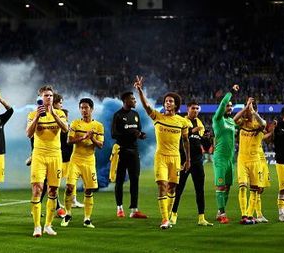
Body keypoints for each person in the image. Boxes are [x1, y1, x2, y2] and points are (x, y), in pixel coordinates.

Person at [134, 75, 191, 230]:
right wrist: (139, 90)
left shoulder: (182, 121)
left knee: (172, 188)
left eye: (171, 101)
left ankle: (171, 213)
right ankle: (165, 219)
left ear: (176, 104)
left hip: (175, 158)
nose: (168, 103)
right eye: (166, 101)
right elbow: (146, 106)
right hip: (161, 157)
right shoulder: (157, 117)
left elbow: (185, 141)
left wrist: (188, 160)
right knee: (162, 185)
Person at [26, 85, 68, 237]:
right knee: (37, 189)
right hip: (39, 155)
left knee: (53, 191)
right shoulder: (32, 114)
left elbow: (65, 129)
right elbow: (28, 133)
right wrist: (37, 117)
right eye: (45, 95)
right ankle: (37, 226)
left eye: (50, 95)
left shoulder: (60, 113)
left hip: (55, 156)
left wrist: (54, 115)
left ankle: (48, 225)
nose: (48, 98)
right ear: (40, 98)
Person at [61, 98, 104, 228]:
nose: (84, 110)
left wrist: (92, 138)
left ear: (91, 109)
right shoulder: (75, 123)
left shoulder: (98, 126)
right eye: (81, 108)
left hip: (89, 161)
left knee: (89, 190)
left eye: (86, 108)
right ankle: (67, 214)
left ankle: (87, 219)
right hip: (76, 159)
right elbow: (69, 140)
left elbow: (100, 145)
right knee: (69, 187)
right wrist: (83, 137)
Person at [170, 101, 213, 226]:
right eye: (193, 108)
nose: (195, 110)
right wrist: (193, 131)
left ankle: (201, 218)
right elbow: (178, 138)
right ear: (188, 109)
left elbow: (204, 145)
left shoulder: (200, 123)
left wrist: (207, 138)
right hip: (183, 161)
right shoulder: (182, 121)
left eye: (197, 108)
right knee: (178, 189)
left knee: (200, 190)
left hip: (198, 161)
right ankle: (173, 215)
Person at [111, 88, 148, 220]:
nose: (134, 101)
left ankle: (134, 209)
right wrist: (132, 133)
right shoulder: (118, 115)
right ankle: (119, 208)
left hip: (134, 151)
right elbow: (114, 134)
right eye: (132, 99)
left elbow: (138, 131)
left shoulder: (136, 114)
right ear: (125, 100)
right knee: (120, 180)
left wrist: (141, 135)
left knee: (135, 180)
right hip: (122, 151)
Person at [233, 97, 266, 225]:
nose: (246, 113)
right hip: (242, 160)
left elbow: (263, 124)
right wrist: (246, 108)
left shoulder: (258, 124)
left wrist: (253, 112)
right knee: (242, 187)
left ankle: (250, 215)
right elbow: (235, 119)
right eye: (246, 110)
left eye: (249, 110)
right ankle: (243, 215)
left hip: (255, 161)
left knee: (254, 189)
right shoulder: (243, 122)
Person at [211, 84, 239, 224]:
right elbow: (222, 104)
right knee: (221, 186)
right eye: (227, 105)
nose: (229, 107)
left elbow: (239, 121)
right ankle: (222, 212)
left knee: (228, 186)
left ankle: (220, 211)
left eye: (231, 106)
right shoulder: (218, 119)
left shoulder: (231, 121)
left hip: (230, 159)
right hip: (220, 157)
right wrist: (231, 92)